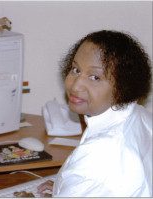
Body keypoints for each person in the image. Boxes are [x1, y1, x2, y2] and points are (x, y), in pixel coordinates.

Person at [37, 30, 152, 197]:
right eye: (76, 70)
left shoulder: (102, 153)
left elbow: (99, 171)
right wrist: (65, 187)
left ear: (123, 85)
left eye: (95, 77)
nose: (75, 86)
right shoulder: (139, 115)